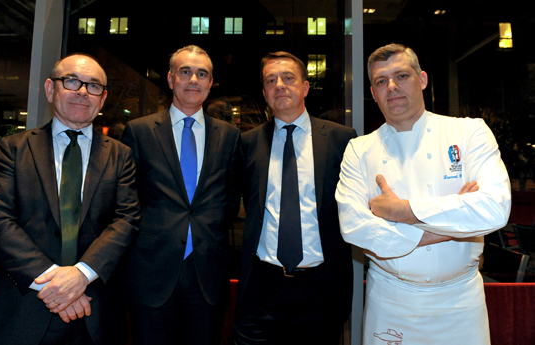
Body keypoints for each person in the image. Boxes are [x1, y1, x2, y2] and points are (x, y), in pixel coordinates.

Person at [336, 43, 511, 344]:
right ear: (373, 91)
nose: (391, 86)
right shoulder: (359, 150)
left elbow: (495, 209)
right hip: (391, 302)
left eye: (401, 75)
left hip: (460, 303)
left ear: (423, 79)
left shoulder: (469, 133)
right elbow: (356, 229)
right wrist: (452, 224)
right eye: (381, 81)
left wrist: (400, 211)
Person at [0, 53, 141, 345]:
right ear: (50, 89)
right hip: (23, 308)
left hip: (96, 311)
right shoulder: (14, 148)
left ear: (102, 99)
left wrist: (81, 275)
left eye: (93, 86)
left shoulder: (121, 155)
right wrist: (55, 281)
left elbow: (126, 219)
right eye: (72, 81)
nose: (82, 91)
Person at [233, 51, 356, 345]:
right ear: (264, 93)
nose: (279, 85)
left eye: (288, 78)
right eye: (271, 80)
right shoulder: (248, 142)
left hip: (320, 287)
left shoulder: (341, 138)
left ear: (305, 87)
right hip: (262, 286)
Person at [121, 45, 241, 345]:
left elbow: (229, 199)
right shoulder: (139, 131)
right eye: (185, 72)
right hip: (150, 272)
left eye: (202, 74)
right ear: (171, 78)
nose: (193, 80)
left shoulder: (229, 136)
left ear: (210, 83)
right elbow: (127, 200)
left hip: (207, 275)